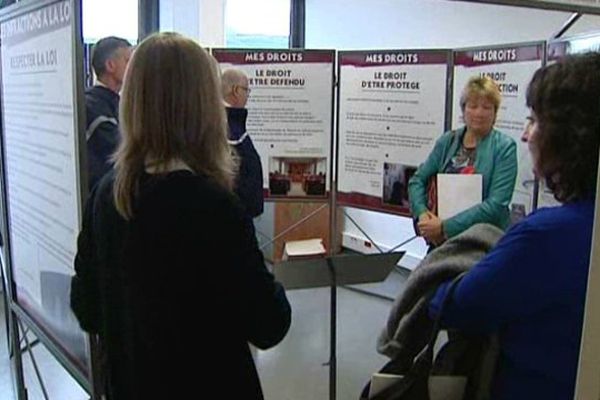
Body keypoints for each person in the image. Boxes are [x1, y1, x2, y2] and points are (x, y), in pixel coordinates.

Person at [70, 33, 291, 400]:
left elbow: (87, 309)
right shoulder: (215, 205)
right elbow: (269, 324)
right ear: (204, 105)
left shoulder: (106, 195)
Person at [429, 52, 600, 400]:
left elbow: (455, 306)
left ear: (570, 137)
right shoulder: (448, 141)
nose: (526, 135)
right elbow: (422, 177)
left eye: (535, 120)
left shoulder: (544, 238)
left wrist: (447, 239)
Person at [408, 76, 517, 245]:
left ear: (495, 112)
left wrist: (445, 227)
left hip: (483, 242)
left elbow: (496, 205)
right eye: (472, 106)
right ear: (463, 109)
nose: (479, 113)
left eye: (486, 107)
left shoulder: (505, 147)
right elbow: (417, 180)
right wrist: (423, 216)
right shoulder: (447, 141)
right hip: (443, 241)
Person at [85, 36, 132, 190]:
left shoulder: (115, 102)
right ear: (110, 65)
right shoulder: (94, 107)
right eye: (127, 61)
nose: (133, 67)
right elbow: (122, 150)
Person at [222, 68, 264, 217]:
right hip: (234, 215)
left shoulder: (226, 124)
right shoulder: (230, 129)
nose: (247, 96)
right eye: (246, 90)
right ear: (236, 90)